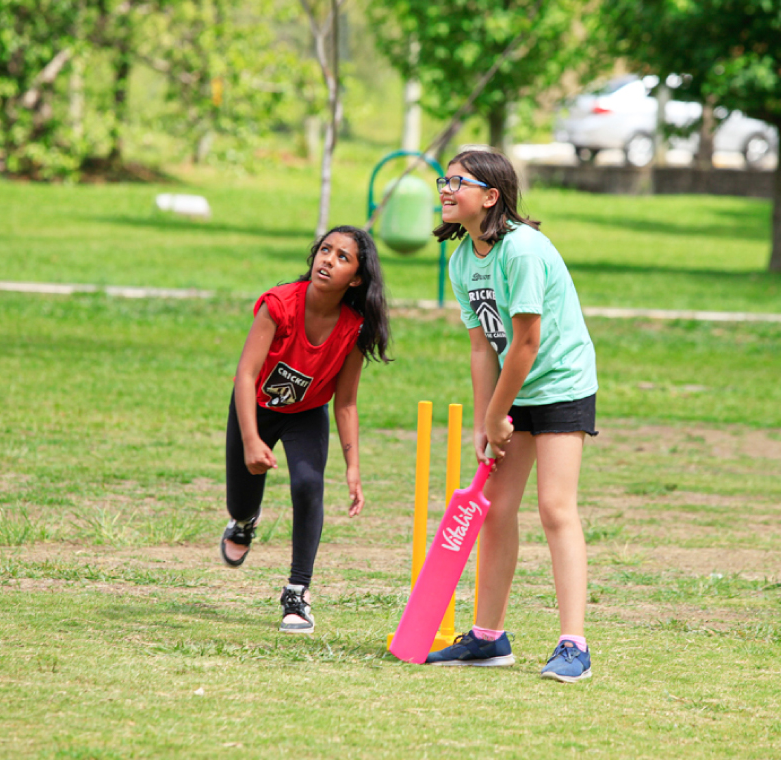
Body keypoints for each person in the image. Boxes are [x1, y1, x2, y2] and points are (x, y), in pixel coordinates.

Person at [424, 150, 598, 683]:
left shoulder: (520, 250)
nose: (446, 189)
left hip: (560, 381)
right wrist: (485, 421)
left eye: (458, 181)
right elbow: (483, 349)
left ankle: (574, 645)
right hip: (510, 388)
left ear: (491, 196)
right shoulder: (461, 261)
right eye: (443, 181)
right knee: (495, 510)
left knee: (554, 507)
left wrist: (501, 412)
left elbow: (525, 341)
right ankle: (488, 637)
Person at [220, 225, 391, 634]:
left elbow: (346, 401)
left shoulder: (354, 327)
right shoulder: (279, 304)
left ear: (357, 277)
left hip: (307, 412)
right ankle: (244, 522)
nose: (328, 260)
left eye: (342, 257)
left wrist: (353, 467)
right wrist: (251, 440)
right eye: (325, 250)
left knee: (308, 484)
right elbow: (245, 375)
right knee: (240, 502)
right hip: (255, 407)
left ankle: (298, 591)